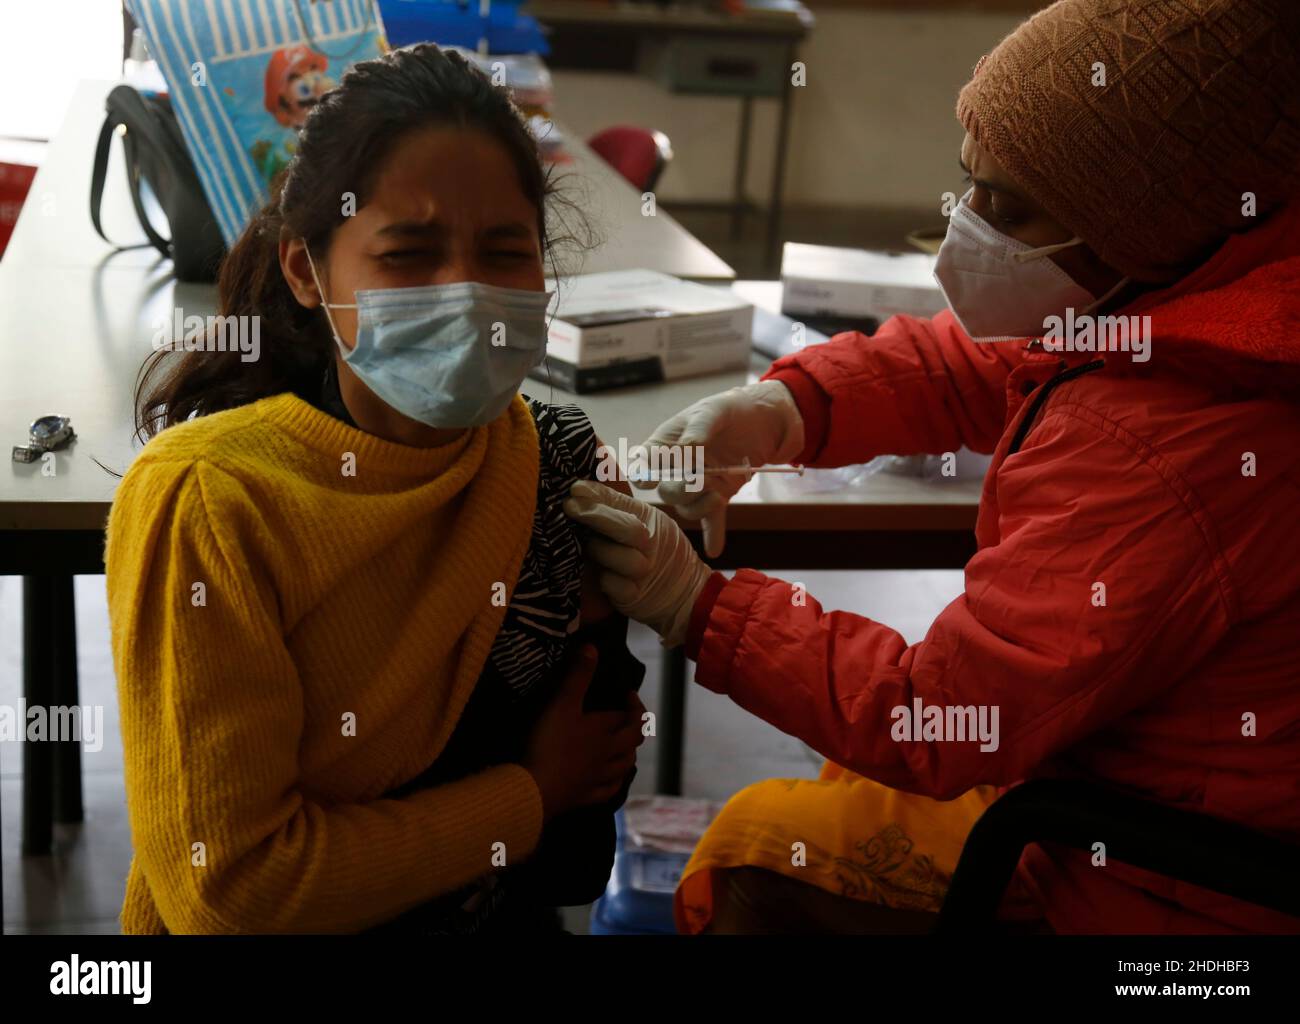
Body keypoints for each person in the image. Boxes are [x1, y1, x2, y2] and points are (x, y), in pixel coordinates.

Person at [564, 0, 1300, 934]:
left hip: (1160, 898)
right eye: (972, 183)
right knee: (838, 771)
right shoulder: (1211, 296)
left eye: (1013, 206)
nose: (970, 226)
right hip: (1117, 779)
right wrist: (787, 408)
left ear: (1143, 227)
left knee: (753, 847)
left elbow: (938, 715)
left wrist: (701, 609)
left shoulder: (1168, 454)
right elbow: (979, 360)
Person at [107, 43, 644, 934]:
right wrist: (525, 796)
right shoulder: (213, 504)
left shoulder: (549, 465)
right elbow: (233, 893)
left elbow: (582, 835)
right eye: (409, 253)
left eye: (505, 250)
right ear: (305, 271)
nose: (465, 292)